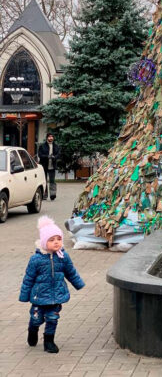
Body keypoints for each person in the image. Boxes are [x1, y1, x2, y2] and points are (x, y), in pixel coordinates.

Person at [19, 215, 85, 353]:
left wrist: (78, 284)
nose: (56, 242)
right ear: (44, 242)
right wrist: (24, 295)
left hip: (56, 295)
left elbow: (70, 272)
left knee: (52, 318)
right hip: (39, 297)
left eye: (59, 239)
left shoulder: (63, 256)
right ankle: (33, 329)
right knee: (36, 319)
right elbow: (28, 278)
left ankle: (49, 341)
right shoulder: (36, 259)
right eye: (52, 240)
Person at [38, 133, 61, 201]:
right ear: (47, 138)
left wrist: (54, 157)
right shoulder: (42, 146)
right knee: (44, 180)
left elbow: (58, 154)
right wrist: (47, 157)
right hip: (44, 165)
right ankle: (45, 194)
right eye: (49, 137)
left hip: (52, 166)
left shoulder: (56, 146)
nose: (51, 138)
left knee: (52, 180)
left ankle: (52, 194)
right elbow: (40, 155)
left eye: (52, 137)